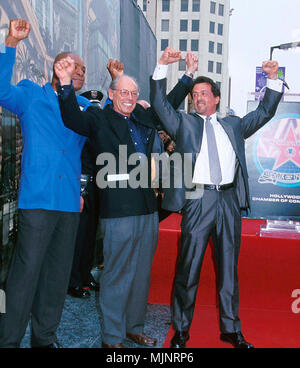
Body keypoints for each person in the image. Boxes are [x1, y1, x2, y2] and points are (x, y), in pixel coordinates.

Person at [54, 52, 197, 348]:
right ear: (111, 93)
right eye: (124, 92)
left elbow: (165, 103)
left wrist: (186, 76)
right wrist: (66, 84)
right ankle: (112, 337)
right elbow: (70, 117)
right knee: (117, 275)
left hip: (147, 210)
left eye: (134, 93)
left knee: (141, 273)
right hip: (117, 212)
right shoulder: (97, 118)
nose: (130, 98)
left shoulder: (143, 117)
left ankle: (134, 327)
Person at [150, 47, 283, 348]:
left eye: (204, 93)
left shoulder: (233, 125)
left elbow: (264, 112)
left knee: (228, 270)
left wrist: (273, 79)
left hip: (228, 202)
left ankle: (231, 330)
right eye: (195, 94)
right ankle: (181, 331)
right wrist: (162, 66)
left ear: (217, 98)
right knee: (188, 268)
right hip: (197, 201)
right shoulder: (183, 124)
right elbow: (159, 104)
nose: (198, 98)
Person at [0, 19, 91, 348]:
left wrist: (115, 85)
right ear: (56, 68)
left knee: (55, 280)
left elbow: (107, 125)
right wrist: (10, 42)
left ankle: (44, 338)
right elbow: (0, 89)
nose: (78, 71)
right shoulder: (29, 95)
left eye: (81, 69)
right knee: (24, 278)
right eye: (71, 65)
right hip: (36, 201)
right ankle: (8, 340)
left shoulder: (83, 109)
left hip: (68, 205)